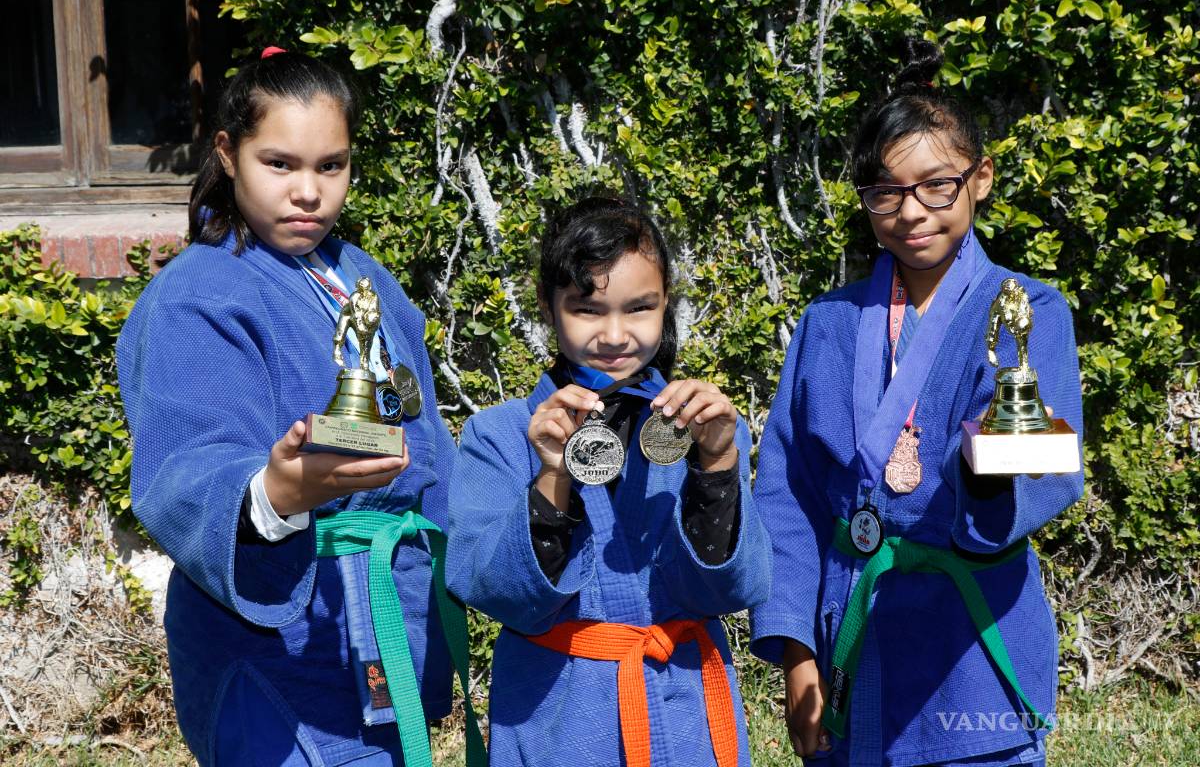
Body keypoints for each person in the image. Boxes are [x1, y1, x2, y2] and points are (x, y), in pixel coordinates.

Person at [117, 48, 481, 767]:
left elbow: (427, 443)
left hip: (384, 624)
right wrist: (277, 492)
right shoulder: (199, 295)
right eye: (279, 164)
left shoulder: (362, 278)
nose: (308, 192)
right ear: (228, 154)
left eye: (331, 165)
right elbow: (189, 459)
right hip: (277, 648)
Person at [749, 39, 1084, 767]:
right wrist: (796, 653)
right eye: (886, 192)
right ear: (865, 198)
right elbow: (787, 495)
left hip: (968, 635)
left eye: (937, 185)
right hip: (853, 627)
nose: (912, 211)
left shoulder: (1028, 309)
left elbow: (1047, 474)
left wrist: (992, 479)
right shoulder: (827, 325)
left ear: (980, 178)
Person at [446, 197, 771, 767]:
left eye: (640, 308)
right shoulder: (498, 435)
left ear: (666, 302)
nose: (616, 335)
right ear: (549, 307)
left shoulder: (709, 428)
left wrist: (716, 463)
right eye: (588, 310)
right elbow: (494, 593)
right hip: (560, 719)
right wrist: (551, 473)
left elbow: (731, 592)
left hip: (687, 712)